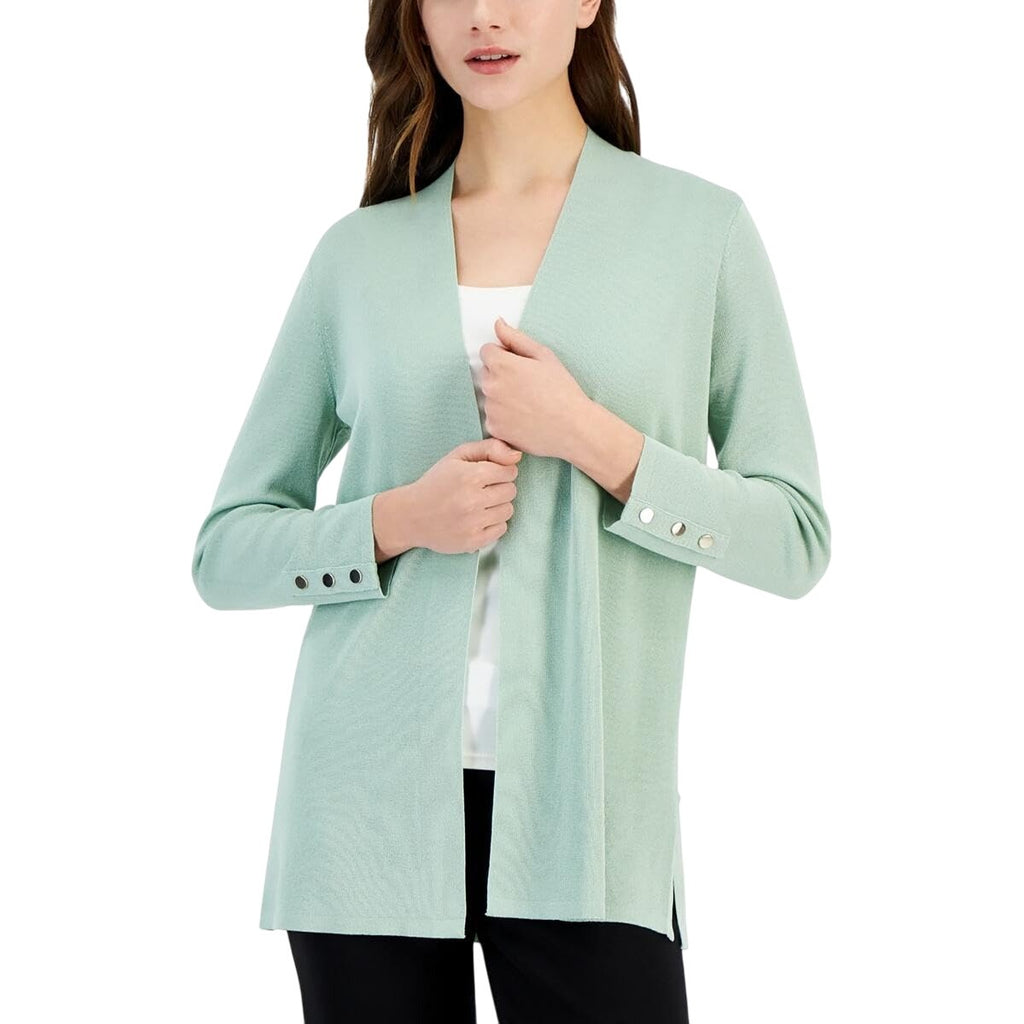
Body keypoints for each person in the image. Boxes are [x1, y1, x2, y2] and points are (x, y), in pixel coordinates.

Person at [192, 1, 831, 1021]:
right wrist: (397, 520)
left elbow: (793, 537)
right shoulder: (357, 254)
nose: (484, 16)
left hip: (589, 816)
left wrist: (595, 440)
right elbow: (226, 551)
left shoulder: (698, 233)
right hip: (363, 812)